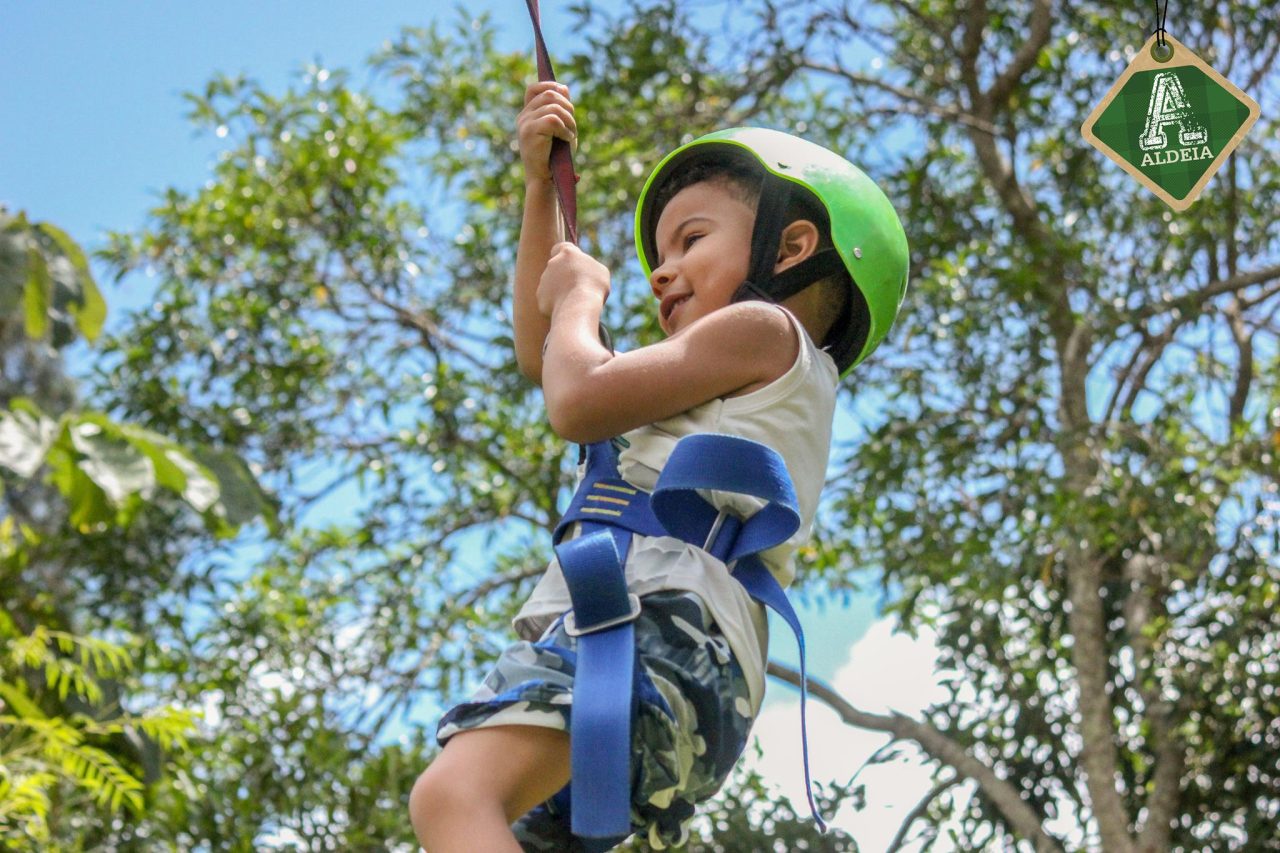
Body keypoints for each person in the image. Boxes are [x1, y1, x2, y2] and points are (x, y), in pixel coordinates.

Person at [408, 80, 908, 852]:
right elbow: (546, 357)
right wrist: (541, 189)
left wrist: (583, 295)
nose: (662, 271)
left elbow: (574, 399)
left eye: (691, 239)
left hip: (657, 624)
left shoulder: (764, 331)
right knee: (488, 819)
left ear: (792, 245)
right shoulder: (726, 379)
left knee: (454, 796)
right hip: (667, 643)